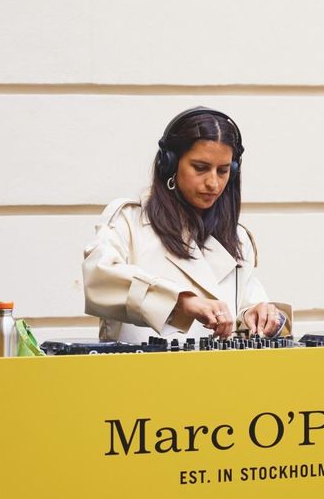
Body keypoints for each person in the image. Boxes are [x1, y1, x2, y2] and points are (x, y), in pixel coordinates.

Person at [82, 107, 291, 343]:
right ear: (170, 164)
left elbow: (245, 309)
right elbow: (99, 280)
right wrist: (181, 302)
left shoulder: (238, 238)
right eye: (200, 168)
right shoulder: (129, 221)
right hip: (139, 376)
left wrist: (259, 316)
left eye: (223, 171)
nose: (213, 183)